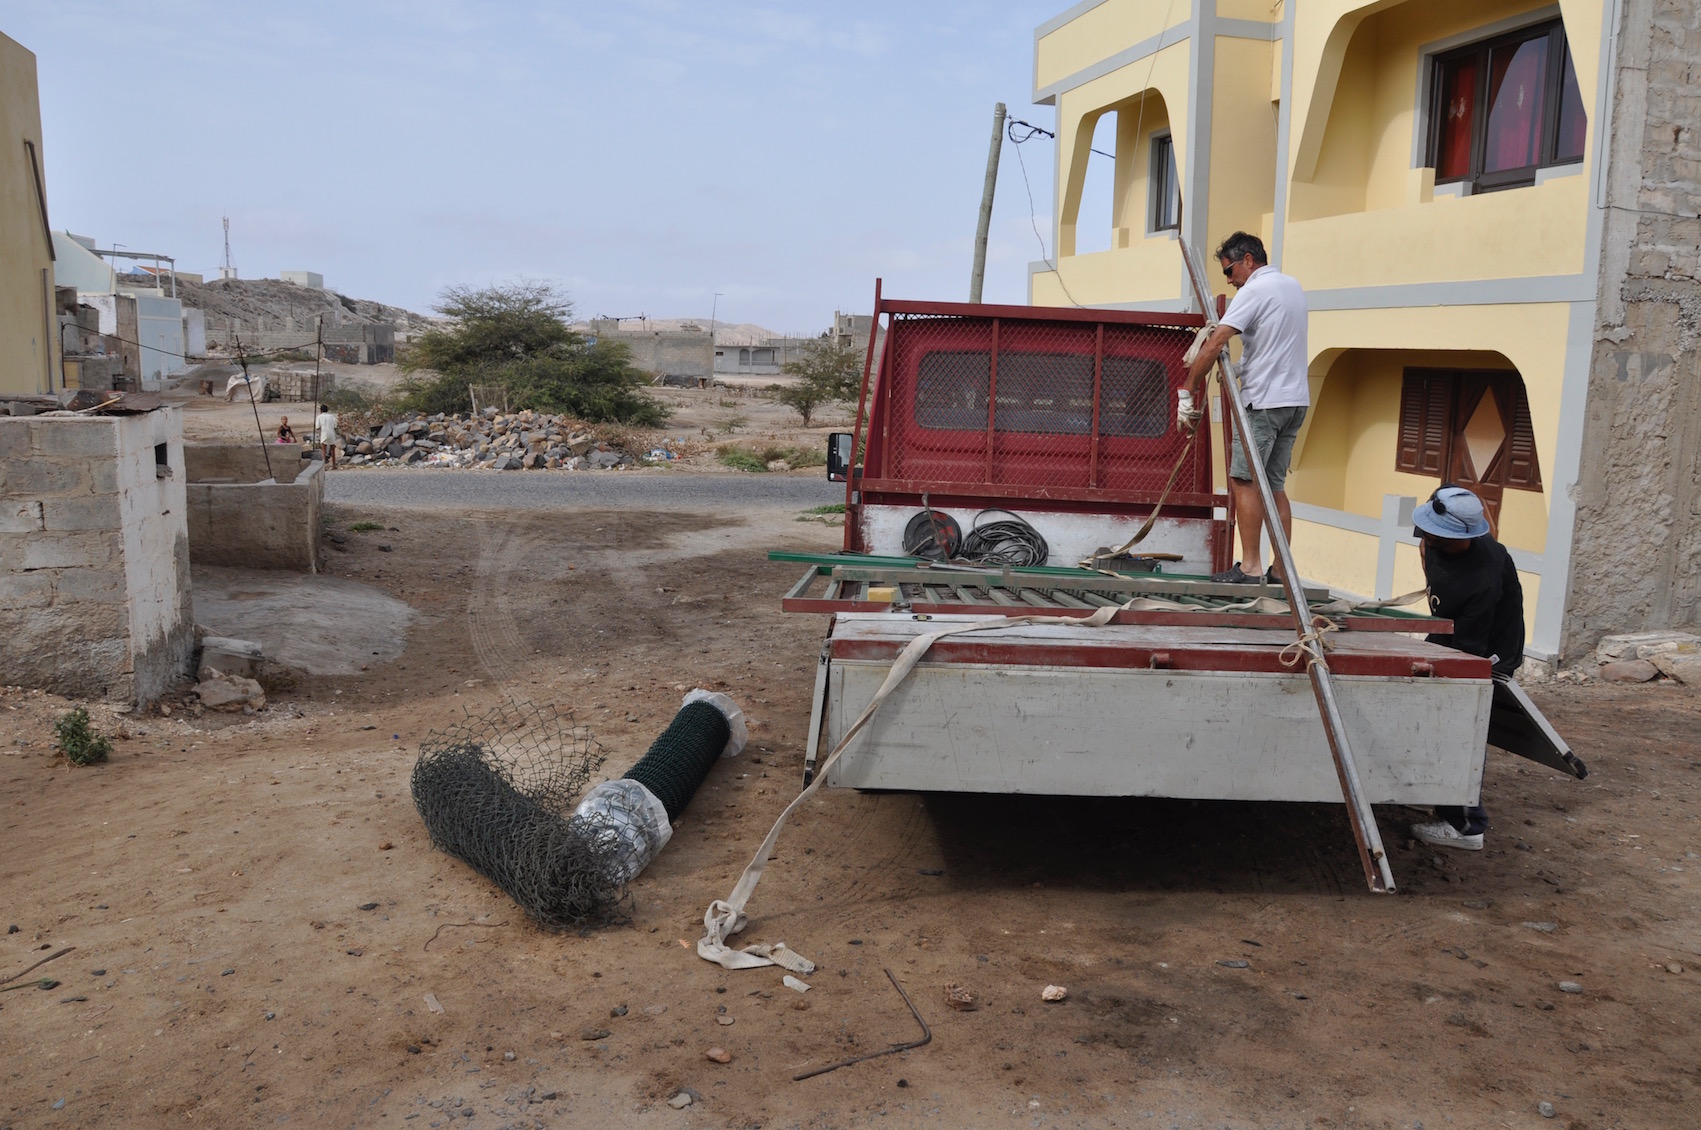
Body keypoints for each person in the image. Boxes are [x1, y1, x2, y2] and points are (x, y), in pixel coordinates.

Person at [1179, 232, 1310, 584]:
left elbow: (1215, 343)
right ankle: (1280, 570)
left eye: (1230, 270)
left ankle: (1250, 567)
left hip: (1264, 402)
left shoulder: (1254, 290)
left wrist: (1188, 389)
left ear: (1249, 260)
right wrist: (1237, 370)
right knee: (1274, 484)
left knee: (1244, 481)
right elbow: (1273, 346)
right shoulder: (1292, 286)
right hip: (1295, 400)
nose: (1229, 280)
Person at [1409, 484, 1524, 851]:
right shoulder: (1442, 517)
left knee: (1459, 724)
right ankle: (1430, 787)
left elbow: (1469, 657)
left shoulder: (1481, 582)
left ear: (1457, 538)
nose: (1424, 536)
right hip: (1449, 628)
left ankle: (1466, 825)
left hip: (1485, 650)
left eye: (1432, 535)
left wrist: (1453, 679)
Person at [314, 403, 340, 470]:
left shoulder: (319, 417)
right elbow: (335, 426)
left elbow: (317, 427)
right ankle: (334, 465)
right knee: (332, 449)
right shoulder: (332, 416)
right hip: (331, 433)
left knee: (323, 450)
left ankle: (323, 466)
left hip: (324, 433)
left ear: (321, 410)